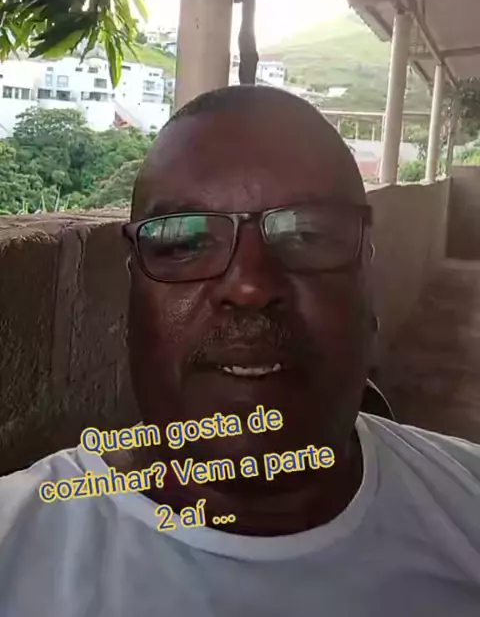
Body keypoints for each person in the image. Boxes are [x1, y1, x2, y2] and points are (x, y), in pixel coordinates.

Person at [0, 85, 479, 616]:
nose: (250, 285)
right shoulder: (16, 547)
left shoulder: (467, 504)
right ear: (131, 299)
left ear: (368, 281)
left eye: (307, 234)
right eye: (184, 241)